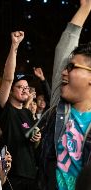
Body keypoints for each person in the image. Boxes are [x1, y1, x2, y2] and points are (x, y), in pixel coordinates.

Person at [38, 0, 91, 189]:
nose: (63, 72)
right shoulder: (58, 108)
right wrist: (85, 8)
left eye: (71, 67)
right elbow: (64, 48)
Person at [0, 31, 41, 190]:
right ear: (11, 91)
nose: (25, 90)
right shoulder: (5, 108)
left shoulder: (28, 113)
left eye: (27, 88)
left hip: (31, 174)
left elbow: (34, 145)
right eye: (20, 87)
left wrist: (37, 138)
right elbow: (7, 78)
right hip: (11, 174)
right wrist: (14, 46)